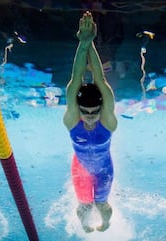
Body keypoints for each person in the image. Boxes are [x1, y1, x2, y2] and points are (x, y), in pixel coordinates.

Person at [63, 11, 117, 233]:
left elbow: (100, 79)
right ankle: (86, 225)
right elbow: (76, 80)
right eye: (85, 111)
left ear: (101, 108)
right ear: (78, 109)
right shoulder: (71, 120)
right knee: (84, 207)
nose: (90, 115)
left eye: (95, 111)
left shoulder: (108, 122)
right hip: (82, 168)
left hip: (104, 169)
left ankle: (105, 224)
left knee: (102, 205)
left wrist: (90, 43)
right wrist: (83, 44)